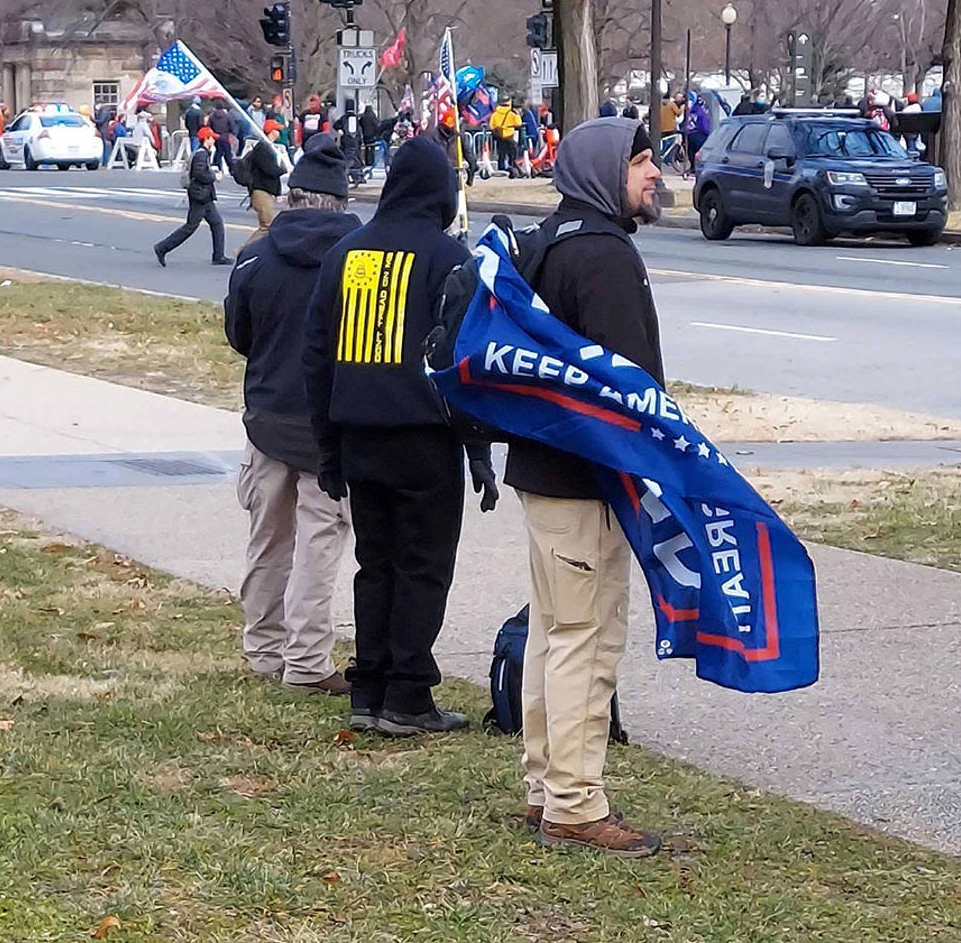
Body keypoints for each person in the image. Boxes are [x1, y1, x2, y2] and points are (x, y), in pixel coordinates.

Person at [503, 116, 665, 857]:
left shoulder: (548, 242)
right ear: (607, 173)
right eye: (641, 163)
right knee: (587, 640)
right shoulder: (602, 255)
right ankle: (574, 803)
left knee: (552, 633)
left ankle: (547, 788)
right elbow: (630, 386)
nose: (655, 174)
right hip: (586, 479)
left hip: (544, 471)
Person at [302, 135, 499, 738]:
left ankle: (370, 688)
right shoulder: (449, 258)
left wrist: (328, 450)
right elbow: (467, 365)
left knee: (375, 563)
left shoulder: (346, 252)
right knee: (423, 566)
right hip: (424, 439)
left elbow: (316, 357)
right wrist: (479, 455)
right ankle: (408, 695)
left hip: (357, 433)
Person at [224, 137, 362, 695]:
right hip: (331, 421)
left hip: (268, 416)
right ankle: (307, 660)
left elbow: (240, 335)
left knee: (268, 538)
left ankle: (263, 649)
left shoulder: (256, 254)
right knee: (319, 541)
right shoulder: (358, 257)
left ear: (293, 195)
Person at [155, 128, 231, 266]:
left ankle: (219, 256)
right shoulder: (202, 155)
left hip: (203, 195)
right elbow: (199, 173)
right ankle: (162, 247)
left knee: (217, 223)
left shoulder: (202, 153)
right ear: (206, 139)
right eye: (211, 138)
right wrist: (215, 176)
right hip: (200, 195)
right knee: (190, 227)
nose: (214, 140)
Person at [236, 134, 286, 245]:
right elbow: (270, 169)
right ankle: (244, 250)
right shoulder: (262, 149)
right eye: (276, 130)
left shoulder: (269, 148)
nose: (278, 133)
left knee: (267, 225)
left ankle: (251, 251)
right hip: (261, 191)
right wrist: (282, 169)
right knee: (266, 226)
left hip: (264, 192)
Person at [490, 95, 521, 173]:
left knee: (501, 152)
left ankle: (501, 167)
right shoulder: (512, 113)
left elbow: (491, 125)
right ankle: (512, 165)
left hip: (499, 135)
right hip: (509, 135)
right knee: (512, 151)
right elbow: (518, 123)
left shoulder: (495, 113)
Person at [208, 103, 234, 171]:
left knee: (218, 151)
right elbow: (232, 127)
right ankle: (231, 168)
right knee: (227, 152)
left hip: (216, 136)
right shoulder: (227, 116)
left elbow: (209, 126)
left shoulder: (212, 116)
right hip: (225, 136)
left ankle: (216, 165)